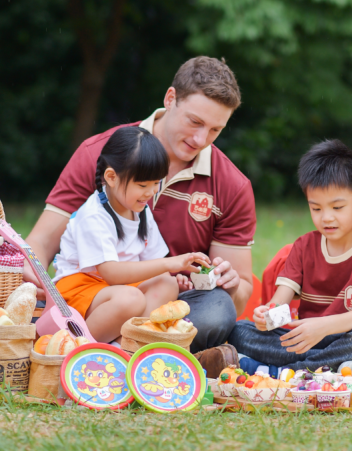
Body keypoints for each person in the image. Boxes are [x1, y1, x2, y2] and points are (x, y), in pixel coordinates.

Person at [24, 57, 255, 364]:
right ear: (170, 98)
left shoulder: (232, 184)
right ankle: (149, 354)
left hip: (160, 300)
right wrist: (32, 279)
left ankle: (126, 350)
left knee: (217, 311)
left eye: (215, 130)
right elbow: (41, 241)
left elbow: (237, 298)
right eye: (195, 122)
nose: (201, 139)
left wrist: (230, 283)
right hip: (88, 293)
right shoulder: (103, 154)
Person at [229, 140, 352, 375]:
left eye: (337, 207)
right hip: (304, 338)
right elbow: (279, 304)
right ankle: (333, 368)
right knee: (238, 330)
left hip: (347, 336)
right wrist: (266, 316)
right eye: (316, 208)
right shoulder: (304, 246)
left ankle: (280, 372)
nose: (326, 218)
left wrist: (323, 326)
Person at [53, 127, 212, 343]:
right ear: (111, 177)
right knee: (131, 299)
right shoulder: (93, 216)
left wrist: (170, 274)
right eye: (143, 185)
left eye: (157, 183)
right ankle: (80, 346)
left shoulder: (141, 209)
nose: (151, 192)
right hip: (81, 288)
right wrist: (170, 264)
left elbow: (153, 264)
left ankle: (126, 345)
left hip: (119, 290)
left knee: (167, 284)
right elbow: (112, 274)